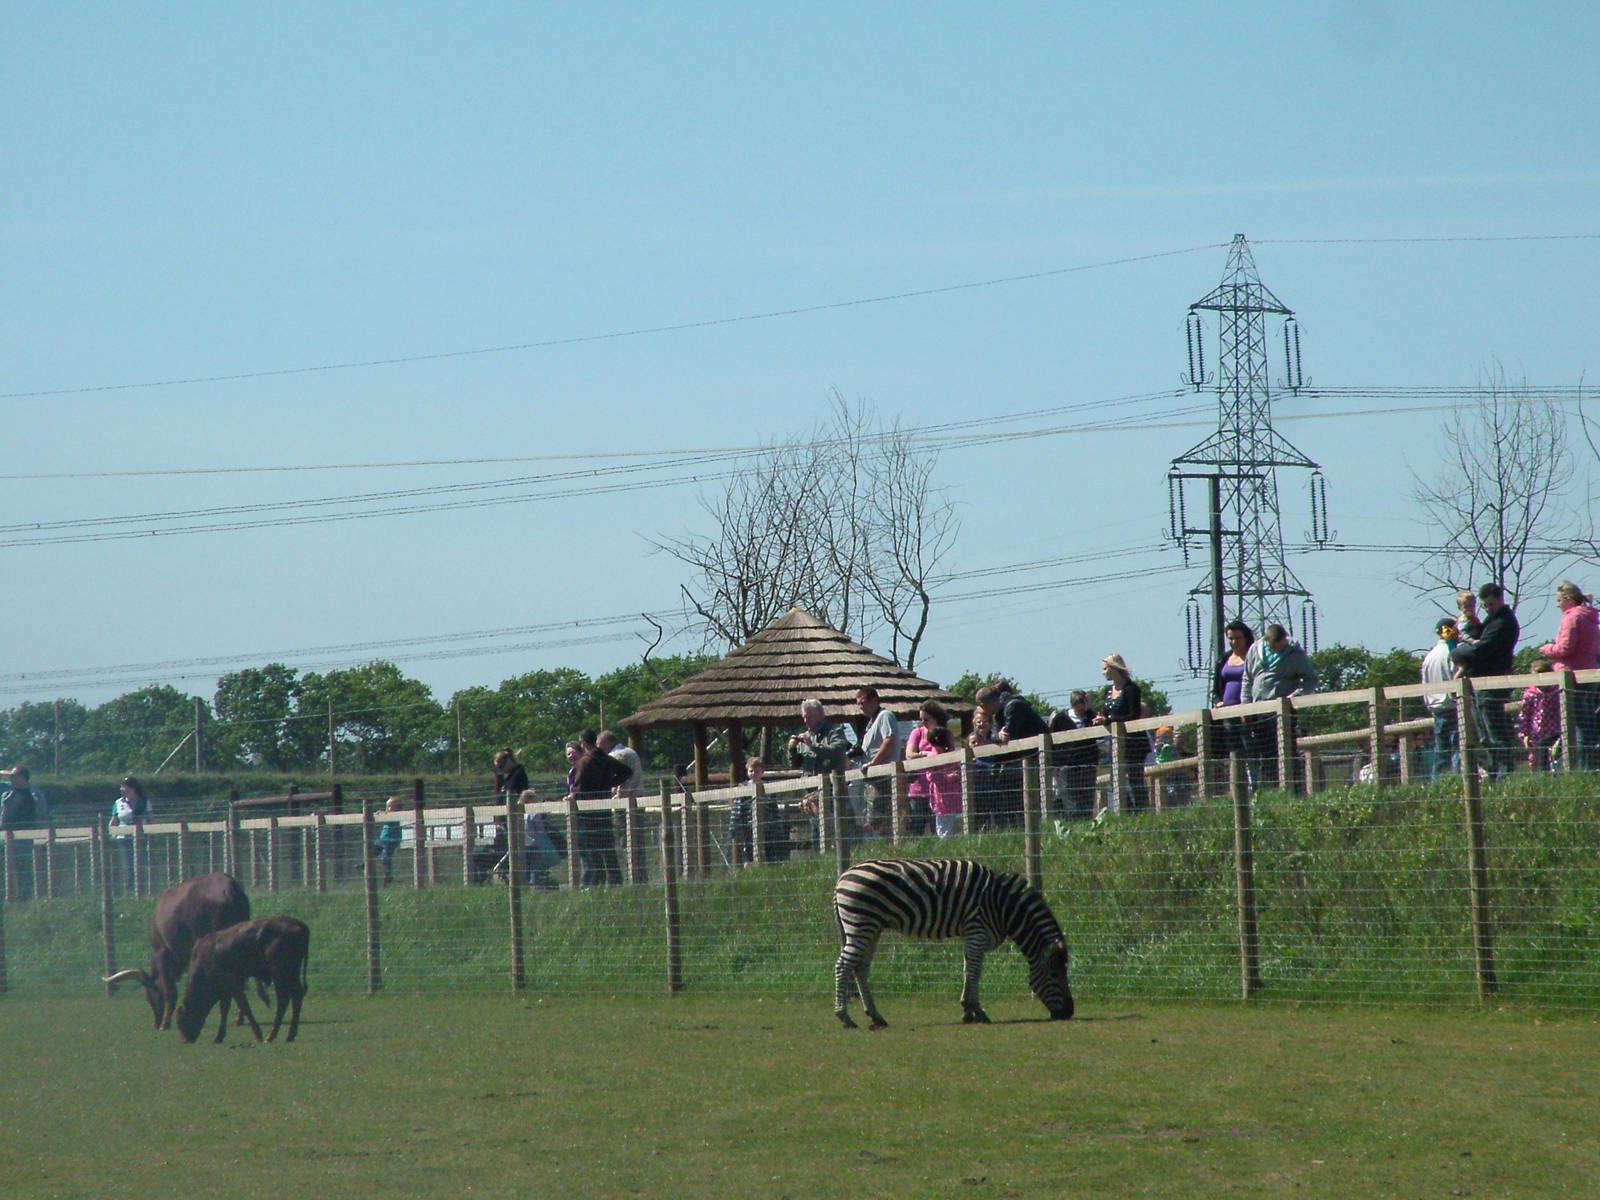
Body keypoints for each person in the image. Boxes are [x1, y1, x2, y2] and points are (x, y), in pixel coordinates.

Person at [1451, 582, 1520, 780]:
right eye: (1485, 605)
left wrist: (1456, 653)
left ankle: (1503, 776)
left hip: (1492, 683)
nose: (1488, 608)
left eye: (1491, 604)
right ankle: (1493, 774)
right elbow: (1476, 641)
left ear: (1500, 600)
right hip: (1480, 682)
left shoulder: (1503, 623)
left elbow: (1482, 649)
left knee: (1496, 734)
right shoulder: (1490, 620)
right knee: (1484, 736)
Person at [1240, 624, 1320, 790]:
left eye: (1280, 645)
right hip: (1258, 711)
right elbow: (1247, 679)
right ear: (1266, 641)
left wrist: (1295, 696)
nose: (1278, 649)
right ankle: (1270, 790)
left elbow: (1311, 679)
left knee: (1286, 751)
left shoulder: (1295, 654)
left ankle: (1292, 788)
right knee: (1265, 754)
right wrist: (1245, 706)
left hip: (1283, 712)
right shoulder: (1255, 650)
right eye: (1274, 647)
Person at [1539, 580, 1600, 769]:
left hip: (1571, 675)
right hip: (1588, 672)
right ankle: (1589, 767)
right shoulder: (1589, 618)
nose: (1557, 604)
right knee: (1587, 722)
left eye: (1558, 600)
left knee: (1577, 726)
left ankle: (1581, 769)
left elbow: (1565, 647)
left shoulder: (1571, 618)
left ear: (1568, 599)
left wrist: (1547, 649)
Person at [974, 681, 1046, 826]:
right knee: (1014, 802)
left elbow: (1008, 734)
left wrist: (998, 735)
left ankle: (1032, 829)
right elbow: (995, 735)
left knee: (1027, 800)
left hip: (1031, 757)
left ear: (986, 703)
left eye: (982, 706)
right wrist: (997, 736)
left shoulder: (1013, 706)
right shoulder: (999, 712)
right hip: (1017, 759)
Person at [570, 729, 628, 886]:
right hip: (604, 808)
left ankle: (593, 882)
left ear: (583, 743)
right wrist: (609, 783)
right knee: (608, 847)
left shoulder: (584, 762)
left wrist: (572, 796)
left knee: (590, 849)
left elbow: (578, 788)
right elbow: (626, 772)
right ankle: (615, 881)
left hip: (587, 812)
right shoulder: (605, 758)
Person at [1093, 655, 1146, 811]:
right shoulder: (1107, 691)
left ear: (1114, 668)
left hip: (1133, 742)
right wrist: (1100, 719)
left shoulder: (1131, 689)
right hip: (1115, 742)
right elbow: (1106, 712)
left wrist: (1109, 720)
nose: (1103, 672)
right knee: (1115, 779)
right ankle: (1126, 811)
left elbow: (1133, 715)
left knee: (1135, 779)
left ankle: (1142, 811)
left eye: (1105, 669)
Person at [851, 686, 905, 837]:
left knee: (880, 817)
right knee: (872, 817)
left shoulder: (885, 716)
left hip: (884, 776)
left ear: (874, 700)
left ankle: (887, 847)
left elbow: (889, 740)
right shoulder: (871, 722)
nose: (861, 707)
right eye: (858, 704)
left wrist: (873, 762)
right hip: (872, 779)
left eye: (863, 703)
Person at [905, 700, 960, 837]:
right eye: (921, 719)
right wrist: (926, 754)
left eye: (926, 719)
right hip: (919, 787)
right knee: (917, 826)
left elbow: (951, 756)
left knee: (940, 827)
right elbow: (909, 755)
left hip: (941, 788)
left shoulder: (946, 734)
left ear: (936, 718)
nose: (923, 722)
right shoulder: (917, 732)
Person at [1048, 690, 1100, 819]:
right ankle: (1074, 822)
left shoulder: (1091, 717)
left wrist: (1091, 710)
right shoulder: (1061, 718)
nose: (1081, 711)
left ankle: (1087, 821)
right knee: (1070, 797)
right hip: (1067, 765)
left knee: (1087, 798)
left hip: (1088, 764)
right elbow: (1052, 742)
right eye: (1079, 707)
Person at [1420, 618, 1461, 780]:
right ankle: (1459, 782)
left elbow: (1424, 684)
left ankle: (1437, 784)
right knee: (1458, 750)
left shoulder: (1429, 657)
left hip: (1436, 708)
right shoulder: (1453, 654)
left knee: (1441, 753)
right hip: (1453, 706)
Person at [1213, 621, 1255, 765]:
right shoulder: (1223, 659)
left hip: (1247, 712)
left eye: (1238, 638)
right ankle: (1237, 783)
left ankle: (1255, 783)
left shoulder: (1252, 657)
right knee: (1234, 750)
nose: (1234, 642)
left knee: (1250, 748)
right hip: (1227, 712)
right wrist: (1218, 700)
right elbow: (1217, 686)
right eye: (1230, 638)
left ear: (1245, 638)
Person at [1, 765, 45, 901]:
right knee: (3, 868)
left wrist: (40, 835)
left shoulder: (34, 795)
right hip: (4, 837)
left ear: (22, 777)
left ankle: (24, 897)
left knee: (23, 868)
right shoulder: (7, 794)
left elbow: (42, 815)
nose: (10, 779)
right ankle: (5, 897)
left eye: (13, 776)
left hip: (25, 838)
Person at [107, 775, 152, 896]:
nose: (123, 789)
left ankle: (144, 892)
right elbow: (113, 821)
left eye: (126, 787)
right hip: (124, 839)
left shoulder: (143, 801)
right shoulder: (118, 803)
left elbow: (149, 820)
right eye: (122, 787)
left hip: (140, 838)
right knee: (128, 866)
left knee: (141, 865)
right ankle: (130, 892)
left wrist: (148, 833)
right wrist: (111, 834)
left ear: (133, 788)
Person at [1516, 660, 1562, 772]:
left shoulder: (1556, 691)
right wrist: (1524, 734)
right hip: (1536, 732)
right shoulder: (1530, 694)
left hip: (1555, 731)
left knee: (1556, 757)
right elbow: (1524, 715)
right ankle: (1540, 777)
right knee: (1536, 758)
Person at [597, 730, 645, 800]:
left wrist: (617, 797)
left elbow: (621, 779)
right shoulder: (630, 751)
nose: (599, 748)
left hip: (625, 799)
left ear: (610, 743)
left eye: (601, 744)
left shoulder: (615, 756)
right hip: (638, 794)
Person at [375, 795, 405, 885]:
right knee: (371, 850)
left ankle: (387, 875)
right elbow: (384, 814)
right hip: (383, 839)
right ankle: (364, 865)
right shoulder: (387, 814)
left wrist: (383, 813)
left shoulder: (397, 815)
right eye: (387, 806)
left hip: (391, 840)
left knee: (385, 857)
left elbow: (390, 815)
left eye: (390, 806)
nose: (388, 808)